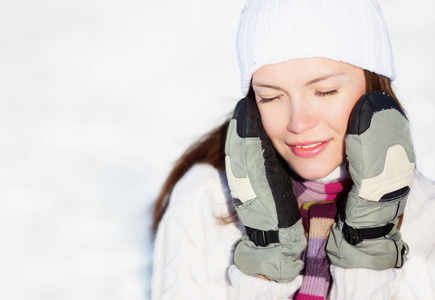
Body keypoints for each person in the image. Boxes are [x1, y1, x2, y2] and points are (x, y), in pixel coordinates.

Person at [151, 0, 435, 299]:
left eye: (325, 91)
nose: (298, 122)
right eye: (271, 97)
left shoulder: (426, 216)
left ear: (374, 89)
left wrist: (369, 247)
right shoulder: (205, 200)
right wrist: (266, 259)